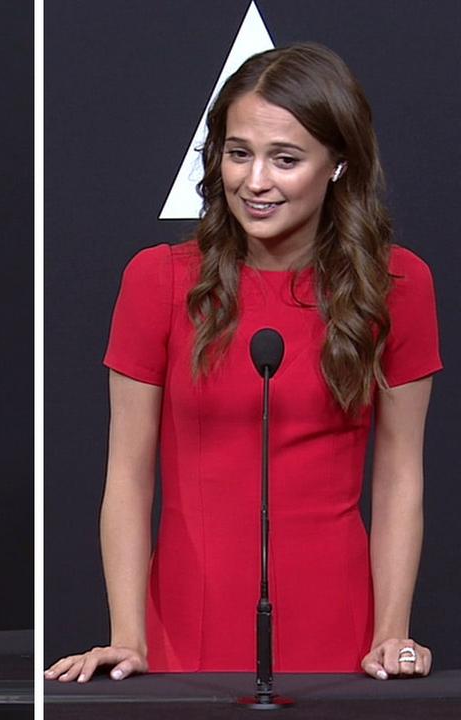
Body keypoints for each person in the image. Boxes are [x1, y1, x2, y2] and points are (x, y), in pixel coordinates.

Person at [46, 43, 438, 682]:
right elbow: (127, 476)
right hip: (185, 621)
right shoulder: (158, 280)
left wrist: (392, 631)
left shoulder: (399, 284)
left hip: (339, 628)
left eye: (285, 159)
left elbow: (399, 477)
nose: (254, 182)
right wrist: (128, 635)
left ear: (338, 163)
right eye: (238, 152)